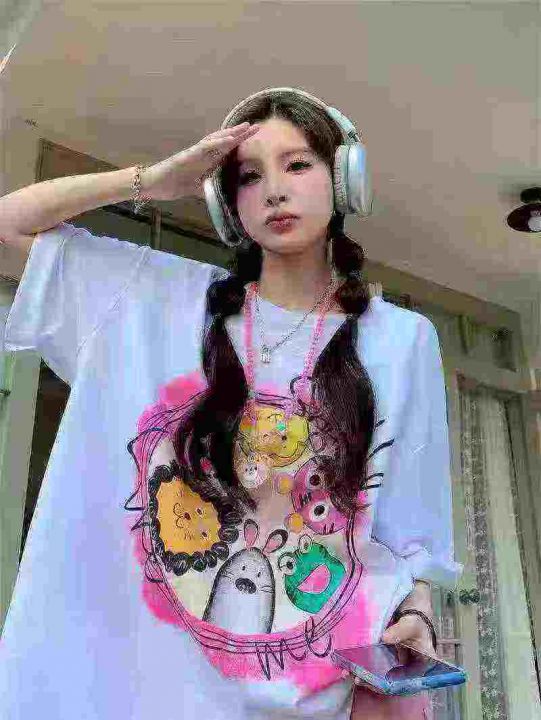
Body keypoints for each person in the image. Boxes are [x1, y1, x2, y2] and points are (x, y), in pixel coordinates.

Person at [0, 87, 462, 719]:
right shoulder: (152, 297)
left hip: (299, 702)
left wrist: (415, 617)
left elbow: (410, 533)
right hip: (130, 694)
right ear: (226, 203)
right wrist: (152, 181)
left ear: (344, 179)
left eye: (297, 165)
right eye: (248, 176)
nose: (274, 191)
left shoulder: (403, 341)